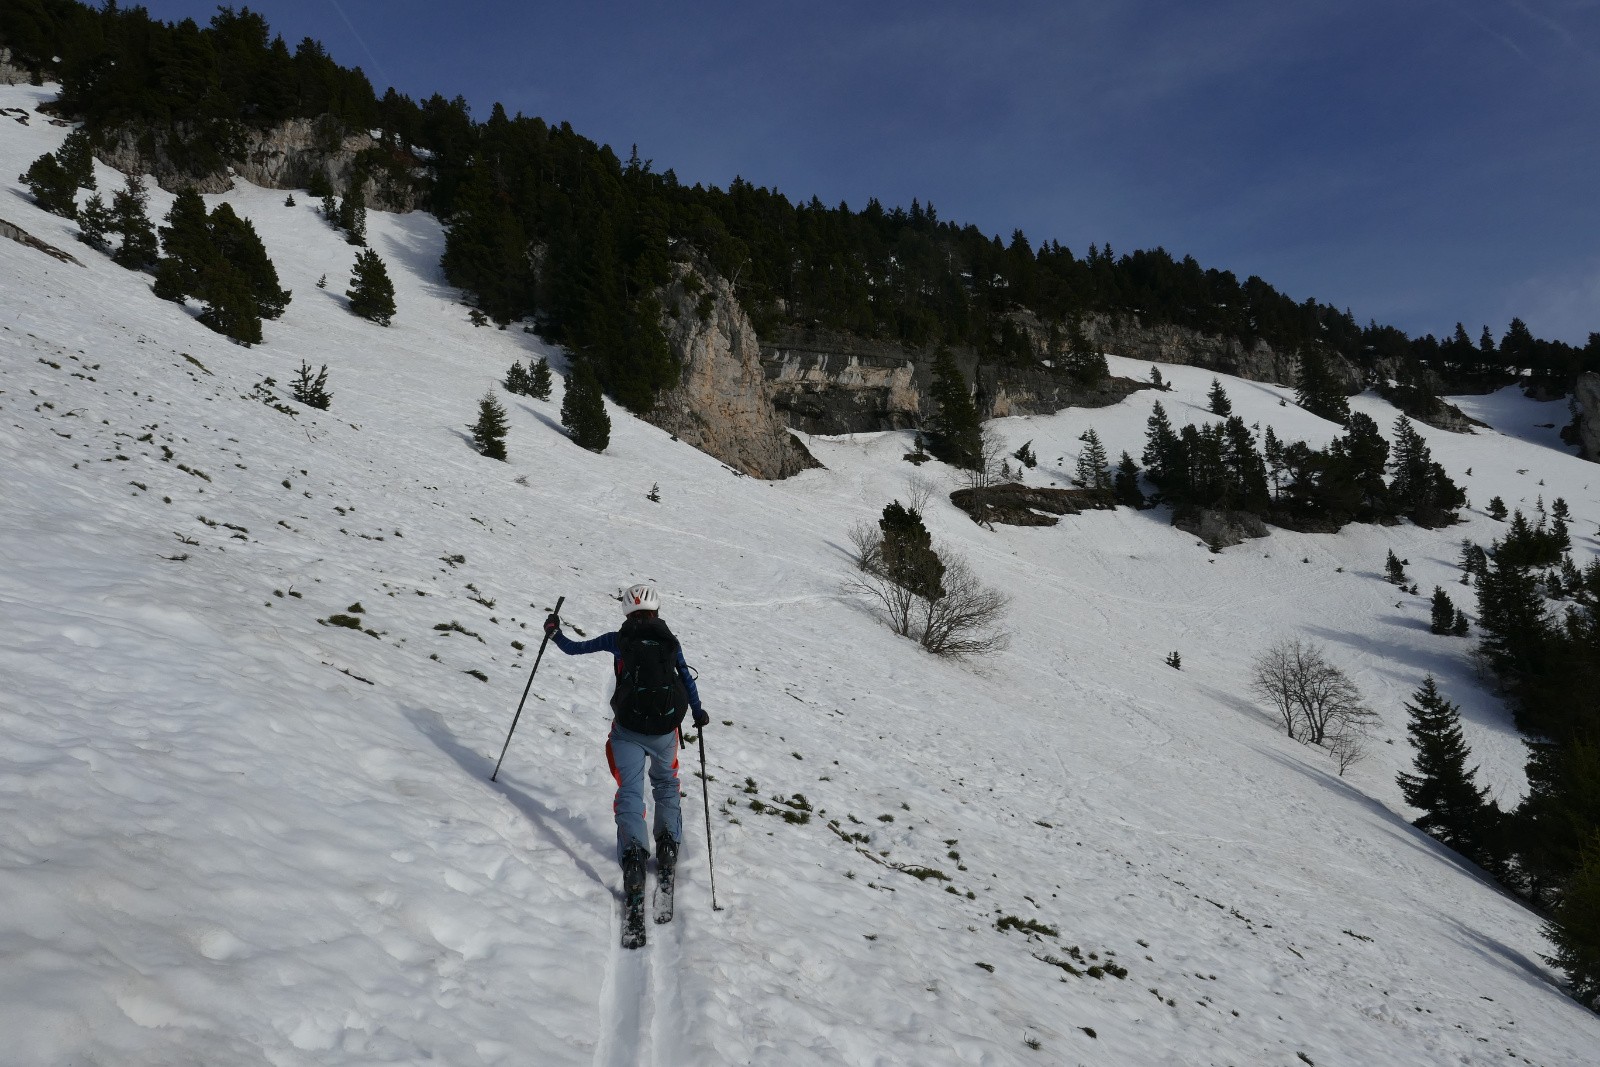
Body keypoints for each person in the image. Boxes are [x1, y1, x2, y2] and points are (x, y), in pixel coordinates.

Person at [544, 584, 708, 898]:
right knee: (666, 784)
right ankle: (668, 847)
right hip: (664, 732)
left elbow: (574, 649)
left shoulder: (618, 640)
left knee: (630, 790)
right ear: (657, 609)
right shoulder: (669, 641)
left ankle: (633, 855)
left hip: (627, 731)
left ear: (626, 609)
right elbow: (685, 678)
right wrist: (698, 713)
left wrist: (554, 632)